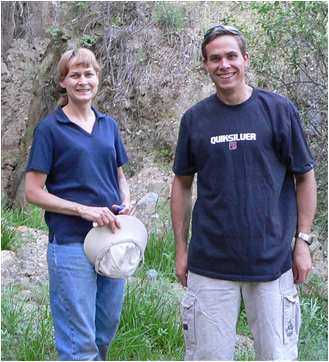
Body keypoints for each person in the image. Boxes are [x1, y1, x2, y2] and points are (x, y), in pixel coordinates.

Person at [171, 25, 317, 360]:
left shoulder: (278, 110)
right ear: (206, 65)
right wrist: (181, 250)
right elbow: (181, 183)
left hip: (272, 262)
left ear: (245, 59)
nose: (224, 64)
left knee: (277, 356)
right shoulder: (194, 120)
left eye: (231, 56)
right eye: (215, 58)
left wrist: (302, 242)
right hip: (210, 265)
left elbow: (304, 177)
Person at [25, 48, 131, 361]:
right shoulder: (50, 129)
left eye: (89, 74)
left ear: (97, 78)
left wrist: (125, 201)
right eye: (75, 75)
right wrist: (82, 210)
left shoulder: (108, 125)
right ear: (63, 82)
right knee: (78, 342)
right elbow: (33, 191)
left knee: (103, 333)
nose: (83, 81)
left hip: (112, 240)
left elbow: (120, 176)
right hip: (71, 244)